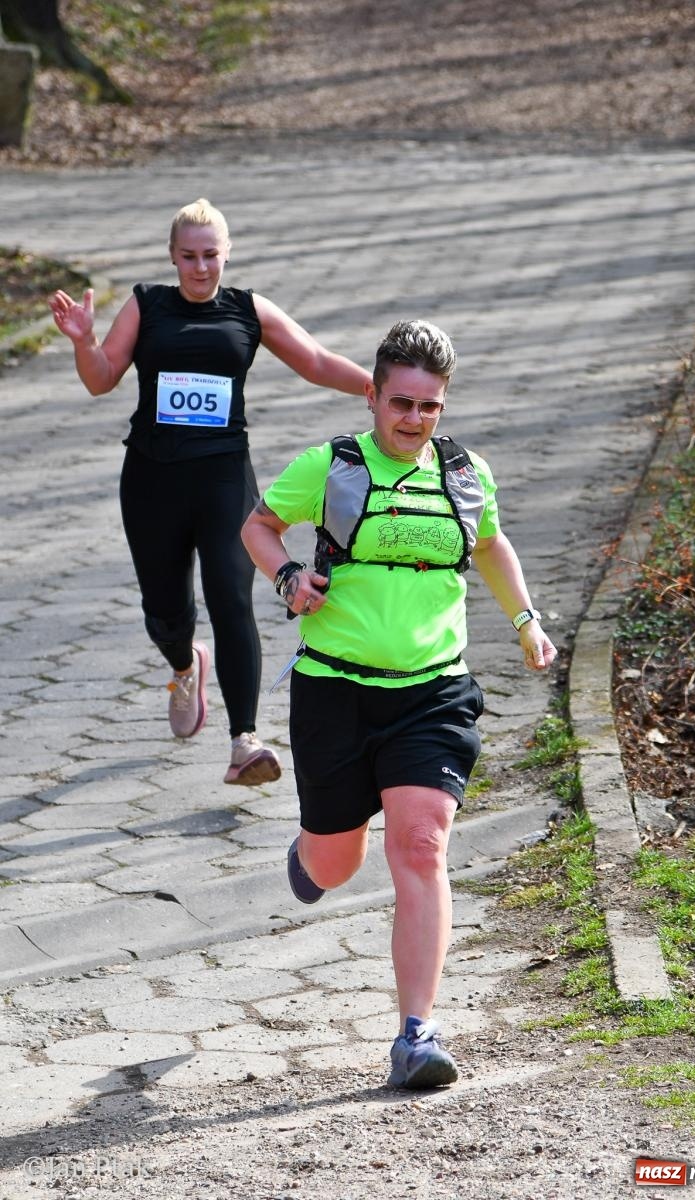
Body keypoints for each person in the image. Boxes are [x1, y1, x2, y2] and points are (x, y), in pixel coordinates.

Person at [241, 318, 557, 1089]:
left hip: (434, 692)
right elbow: (259, 526)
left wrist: (526, 621)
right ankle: (313, 851)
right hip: (335, 692)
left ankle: (417, 1033)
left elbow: (488, 541)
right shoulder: (332, 464)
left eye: (430, 407)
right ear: (374, 397)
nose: (414, 420)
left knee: (420, 846)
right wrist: (288, 577)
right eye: (401, 403)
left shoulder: (464, 473)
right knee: (335, 861)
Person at [48, 198, 372, 787]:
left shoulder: (250, 310)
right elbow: (101, 380)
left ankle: (244, 740)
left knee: (232, 599)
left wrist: (381, 388)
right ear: (173, 257)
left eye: (211, 256)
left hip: (224, 478)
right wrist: (82, 340)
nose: (200, 268)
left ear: (227, 254)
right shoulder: (147, 305)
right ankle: (182, 662)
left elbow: (318, 361)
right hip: (151, 480)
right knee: (165, 612)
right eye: (189, 257)